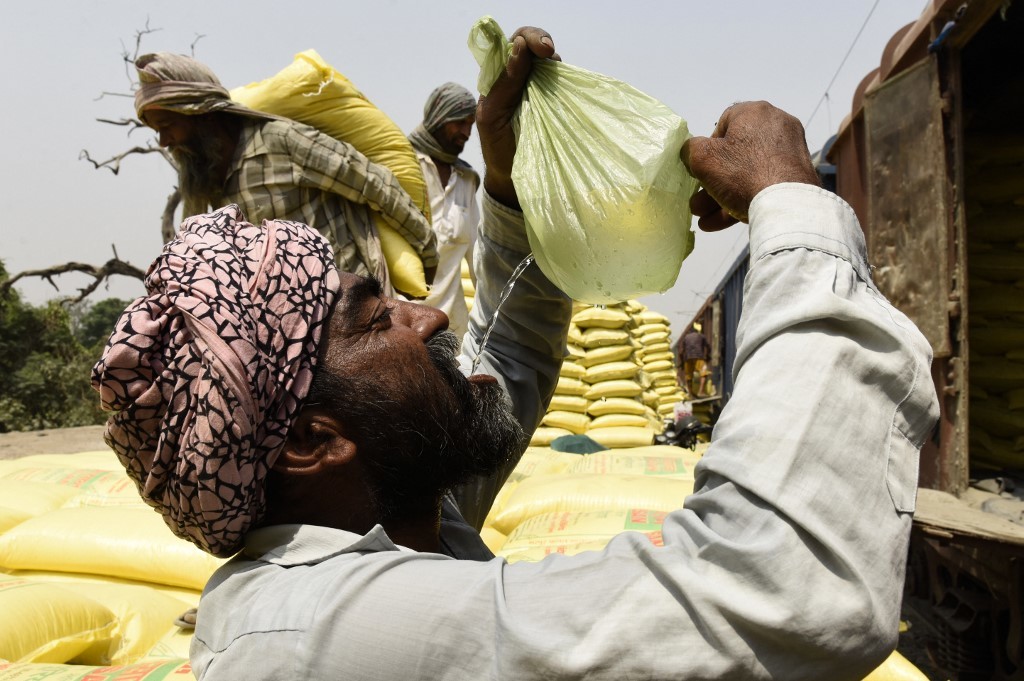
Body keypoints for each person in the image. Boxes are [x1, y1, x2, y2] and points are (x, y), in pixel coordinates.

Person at [92, 27, 939, 680]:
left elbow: (509, 358)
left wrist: (511, 187)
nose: (424, 315)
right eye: (372, 317)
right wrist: (792, 206)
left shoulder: (374, 509)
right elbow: (779, 590)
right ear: (313, 438)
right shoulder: (333, 630)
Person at [133, 52, 437, 296]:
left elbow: (374, 183)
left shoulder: (281, 141)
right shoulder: (208, 175)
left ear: (201, 113)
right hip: (280, 327)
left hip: (347, 307)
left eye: (168, 125)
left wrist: (427, 253)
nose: (163, 141)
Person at [409, 82, 481, 344]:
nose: (467, 132)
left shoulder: (466, 181)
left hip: (449, 330)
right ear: (439, 118)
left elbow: (478, 260)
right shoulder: (404, 166)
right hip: (401, 325)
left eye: (471, 124)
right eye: (459, 122)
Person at [681, 322, 711, 396]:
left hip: (688, 358)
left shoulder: (686, 337)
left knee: (688, 376)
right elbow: (708, 347)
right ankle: (701, 391)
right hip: (699, 357)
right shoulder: (701, 336)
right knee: (704, 373)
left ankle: (691, 393)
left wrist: (682, 361)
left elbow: (681, 351)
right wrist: (707, 356)